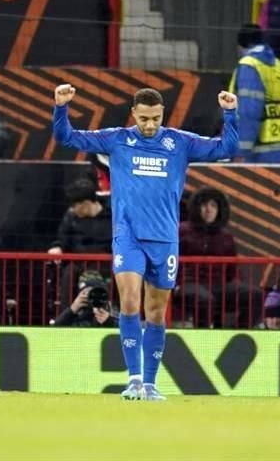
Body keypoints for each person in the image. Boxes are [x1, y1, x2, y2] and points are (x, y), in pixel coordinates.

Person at [52, 84, 238, 400]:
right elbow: (66, 137)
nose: (149, 125)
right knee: (128, 299)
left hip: (165, 241)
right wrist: (60, 108)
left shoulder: (180, 142)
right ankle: (134, 380)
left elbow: (226, 149)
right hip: (129, 237)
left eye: (154, 118)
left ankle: (150, 385)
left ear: (162, 114)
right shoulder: (118, 139)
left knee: (155, 312)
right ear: (134, 115)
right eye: (143, 118)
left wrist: (231, 113)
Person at [178, 187, 261, 328]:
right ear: (196, 207)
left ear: (219, 210)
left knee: (255, 295)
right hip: (188, 283)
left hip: (218, 284)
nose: (208, 210)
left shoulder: (226, 236)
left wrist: (228, 282)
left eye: (213, 205)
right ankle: (203, 340)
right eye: (204, 205)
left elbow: (231, 269)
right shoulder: (181, 231)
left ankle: (239, 335)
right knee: (204, 299)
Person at [229, 25, 280, 163]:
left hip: (258, 155)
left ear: (241, 45)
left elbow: (249, 112)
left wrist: (242, 150)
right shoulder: (279, 66)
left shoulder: (249, 65)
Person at [48, 179, 113, 310]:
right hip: (78, 263)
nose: (72, 209)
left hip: (106, 264)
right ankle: (66, 316)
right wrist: (57, 246)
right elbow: (61, 238)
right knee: (69, 273)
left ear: (86, 204)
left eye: (74, 205)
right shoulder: (71, 218)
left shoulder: (112, 215)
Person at [52, 271, 118, 327]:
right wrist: (72, 309)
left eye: (94, 292)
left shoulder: (109, 307)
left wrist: (109, 321)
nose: (92, 296)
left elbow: (125, 328)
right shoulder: (77, 312)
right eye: (85, 292)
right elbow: (55, 329)